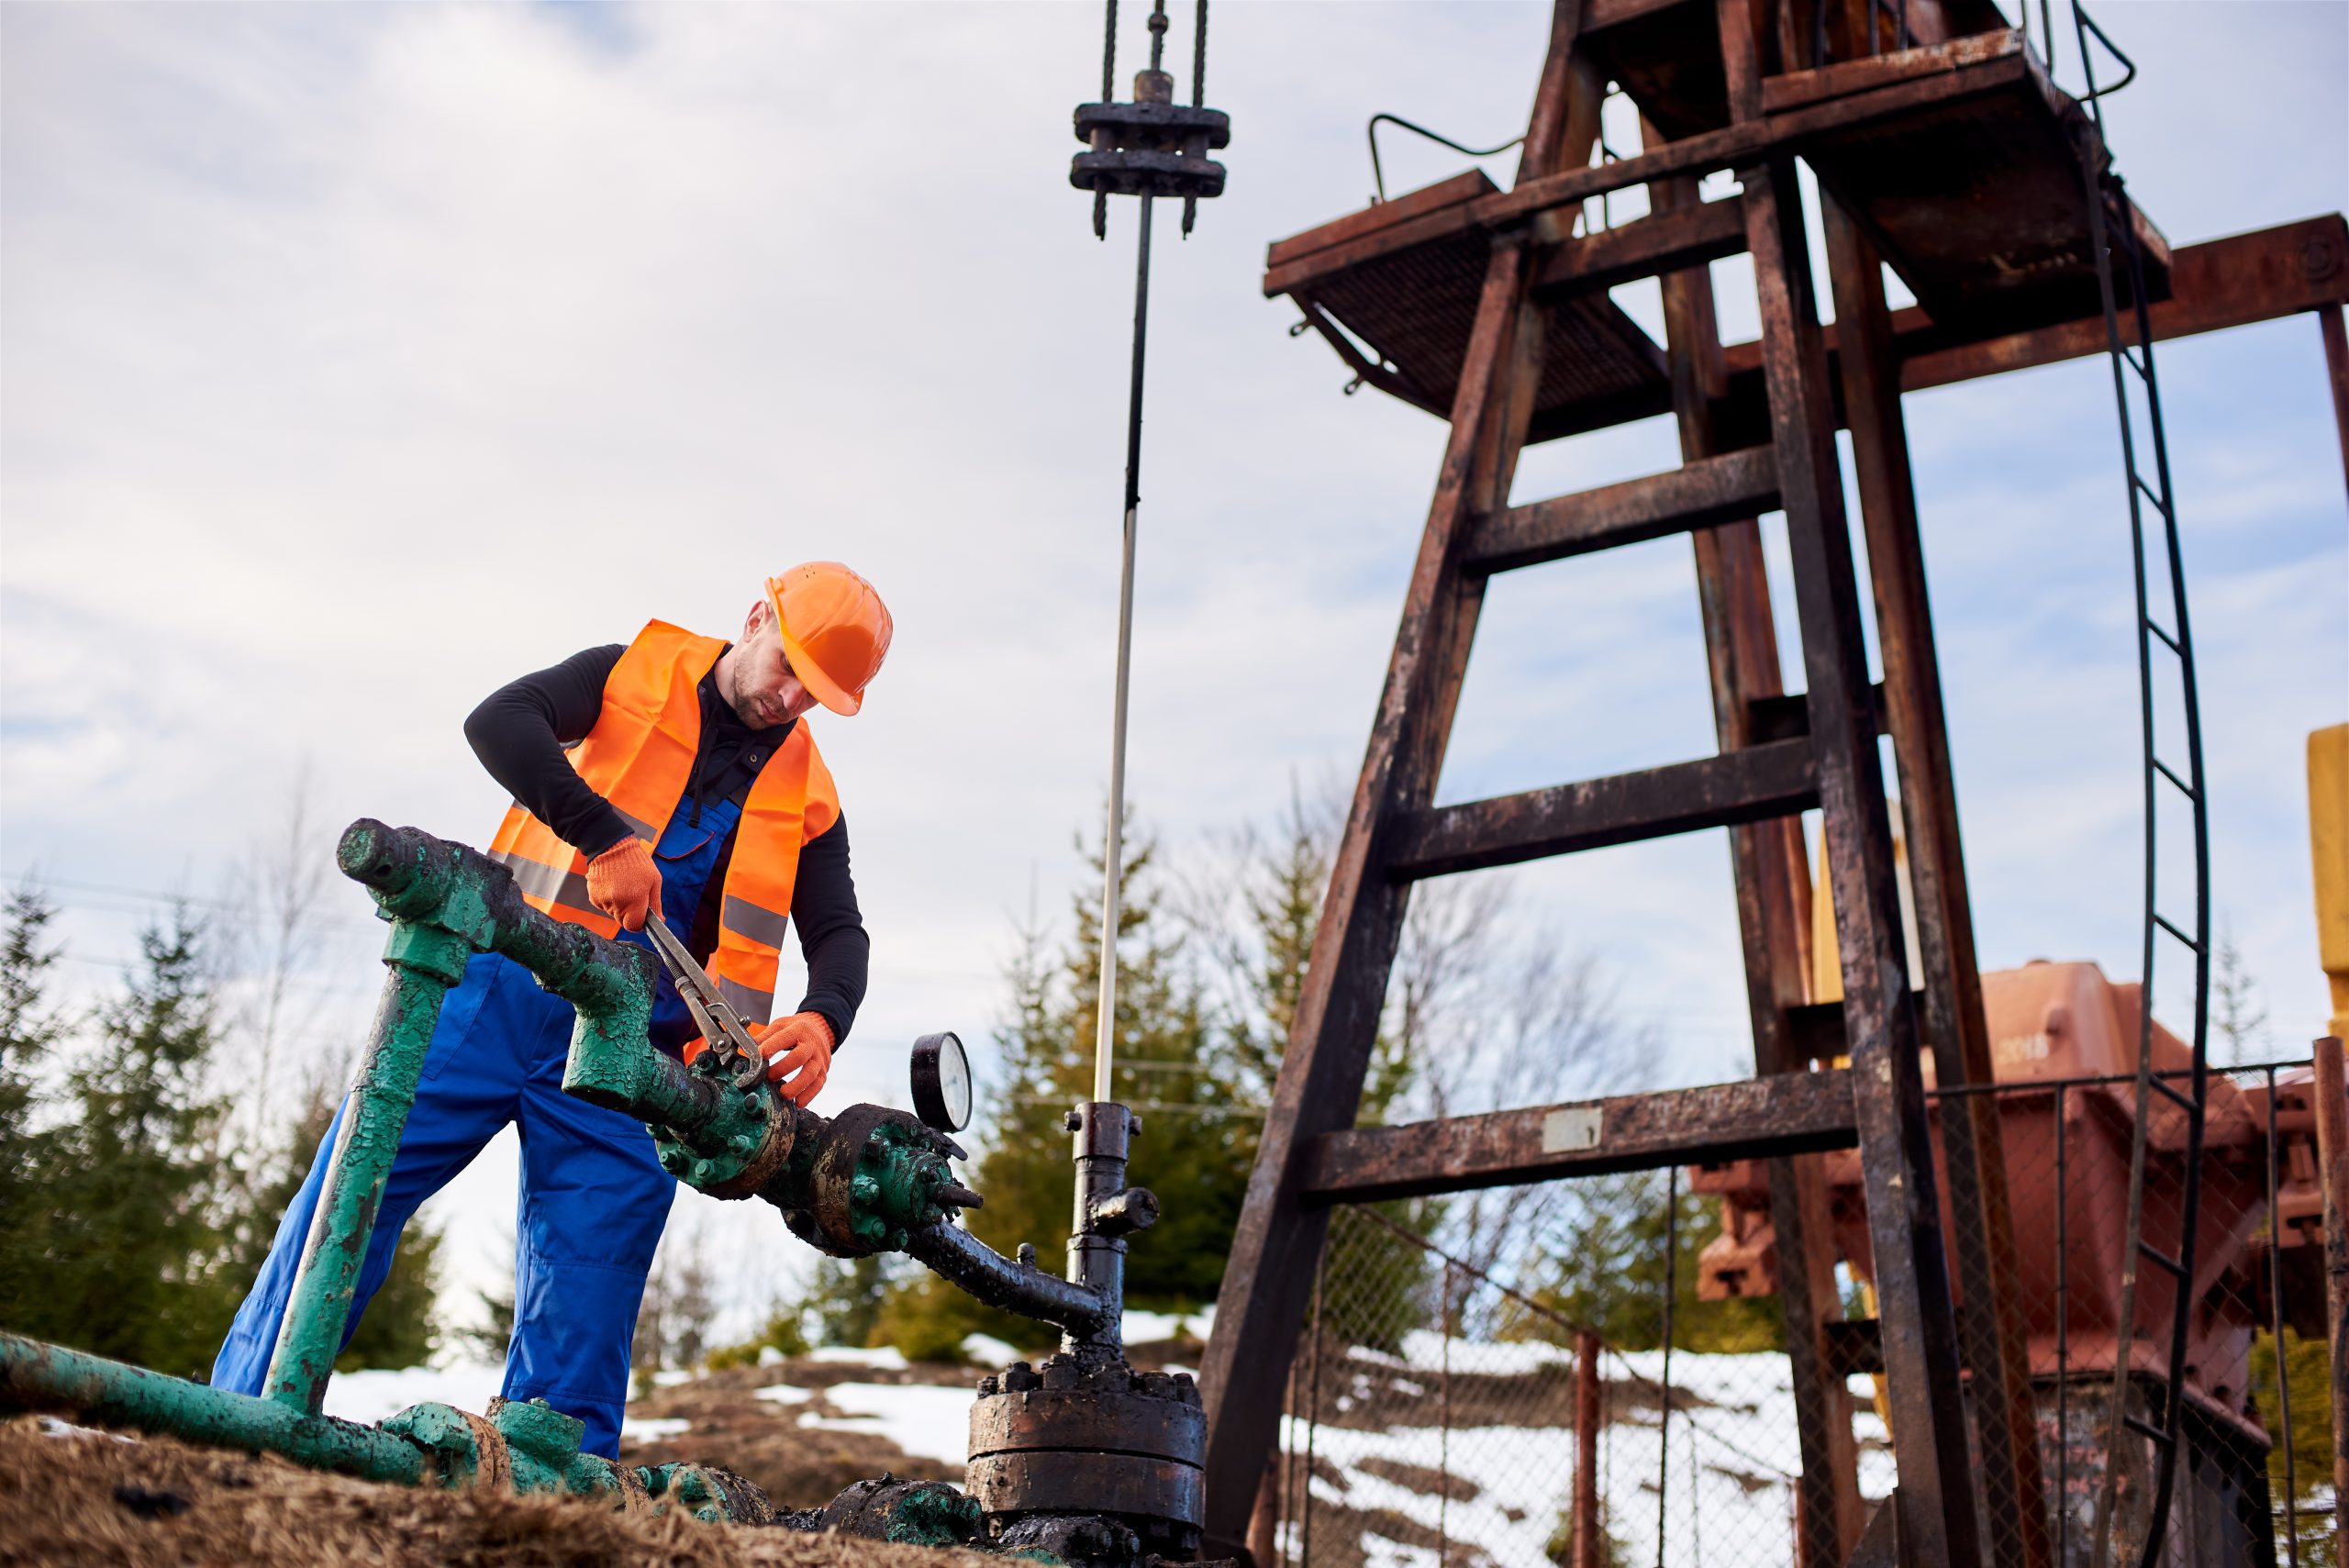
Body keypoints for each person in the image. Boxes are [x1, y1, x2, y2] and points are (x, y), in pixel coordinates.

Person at [213, 562, 890, 1455]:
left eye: (818, 692)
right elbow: (496, 719)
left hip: (634, 1062)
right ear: (758, 615)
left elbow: (839, 929)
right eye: (789, 665)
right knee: (351, 1194)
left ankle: (546, 1492)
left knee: (590, 1286)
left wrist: (823, 1014)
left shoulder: (811, 797)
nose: (791, 696)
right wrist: (604, 833)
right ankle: (236, 1430)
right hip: (495, 994)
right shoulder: (627, 672)